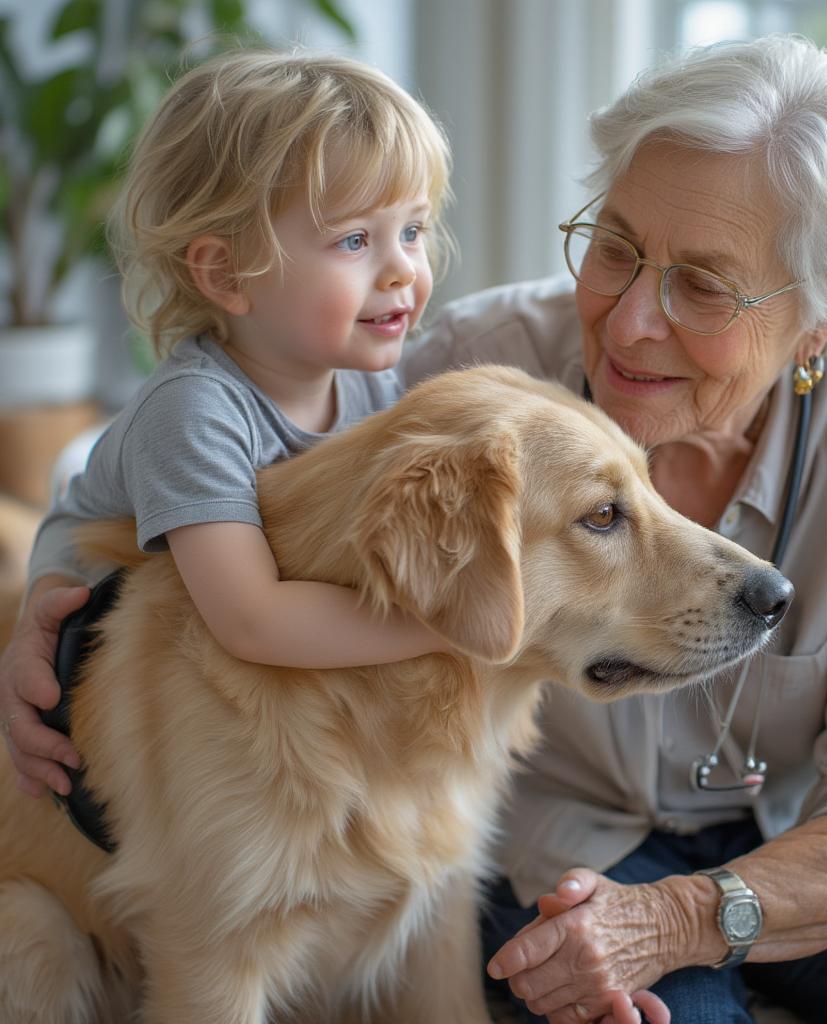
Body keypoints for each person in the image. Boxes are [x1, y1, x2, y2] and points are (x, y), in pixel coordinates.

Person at [0, 45, 662, 1024]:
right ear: (224, 272)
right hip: (93, 857)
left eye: (415, 228)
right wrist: (479, 616)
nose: (405, 270)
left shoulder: (371, 388)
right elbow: (255, 619)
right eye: (355, 241)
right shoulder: (197, 411)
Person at [394, 35, 827, 1024]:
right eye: (615, 249)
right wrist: (67, 579)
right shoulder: (472, 372)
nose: (629, 319)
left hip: (810, 832)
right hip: (561, 840)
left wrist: (686, 916)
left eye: (701, 286)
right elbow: (235, 455)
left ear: (824, 316)